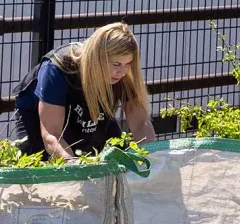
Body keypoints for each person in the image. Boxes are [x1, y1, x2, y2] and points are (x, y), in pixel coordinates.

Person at [13, 22, 155, 159]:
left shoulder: (124, 74)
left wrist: (151, 156)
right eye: (116, 64)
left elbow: (140, 123)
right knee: (42, 164)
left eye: (128, 64)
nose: (122, 72)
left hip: (92, 109)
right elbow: (52, 135)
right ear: (97, 58)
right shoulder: (57, 69)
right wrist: (73, 166)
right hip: (40, 117)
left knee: (115, 156)